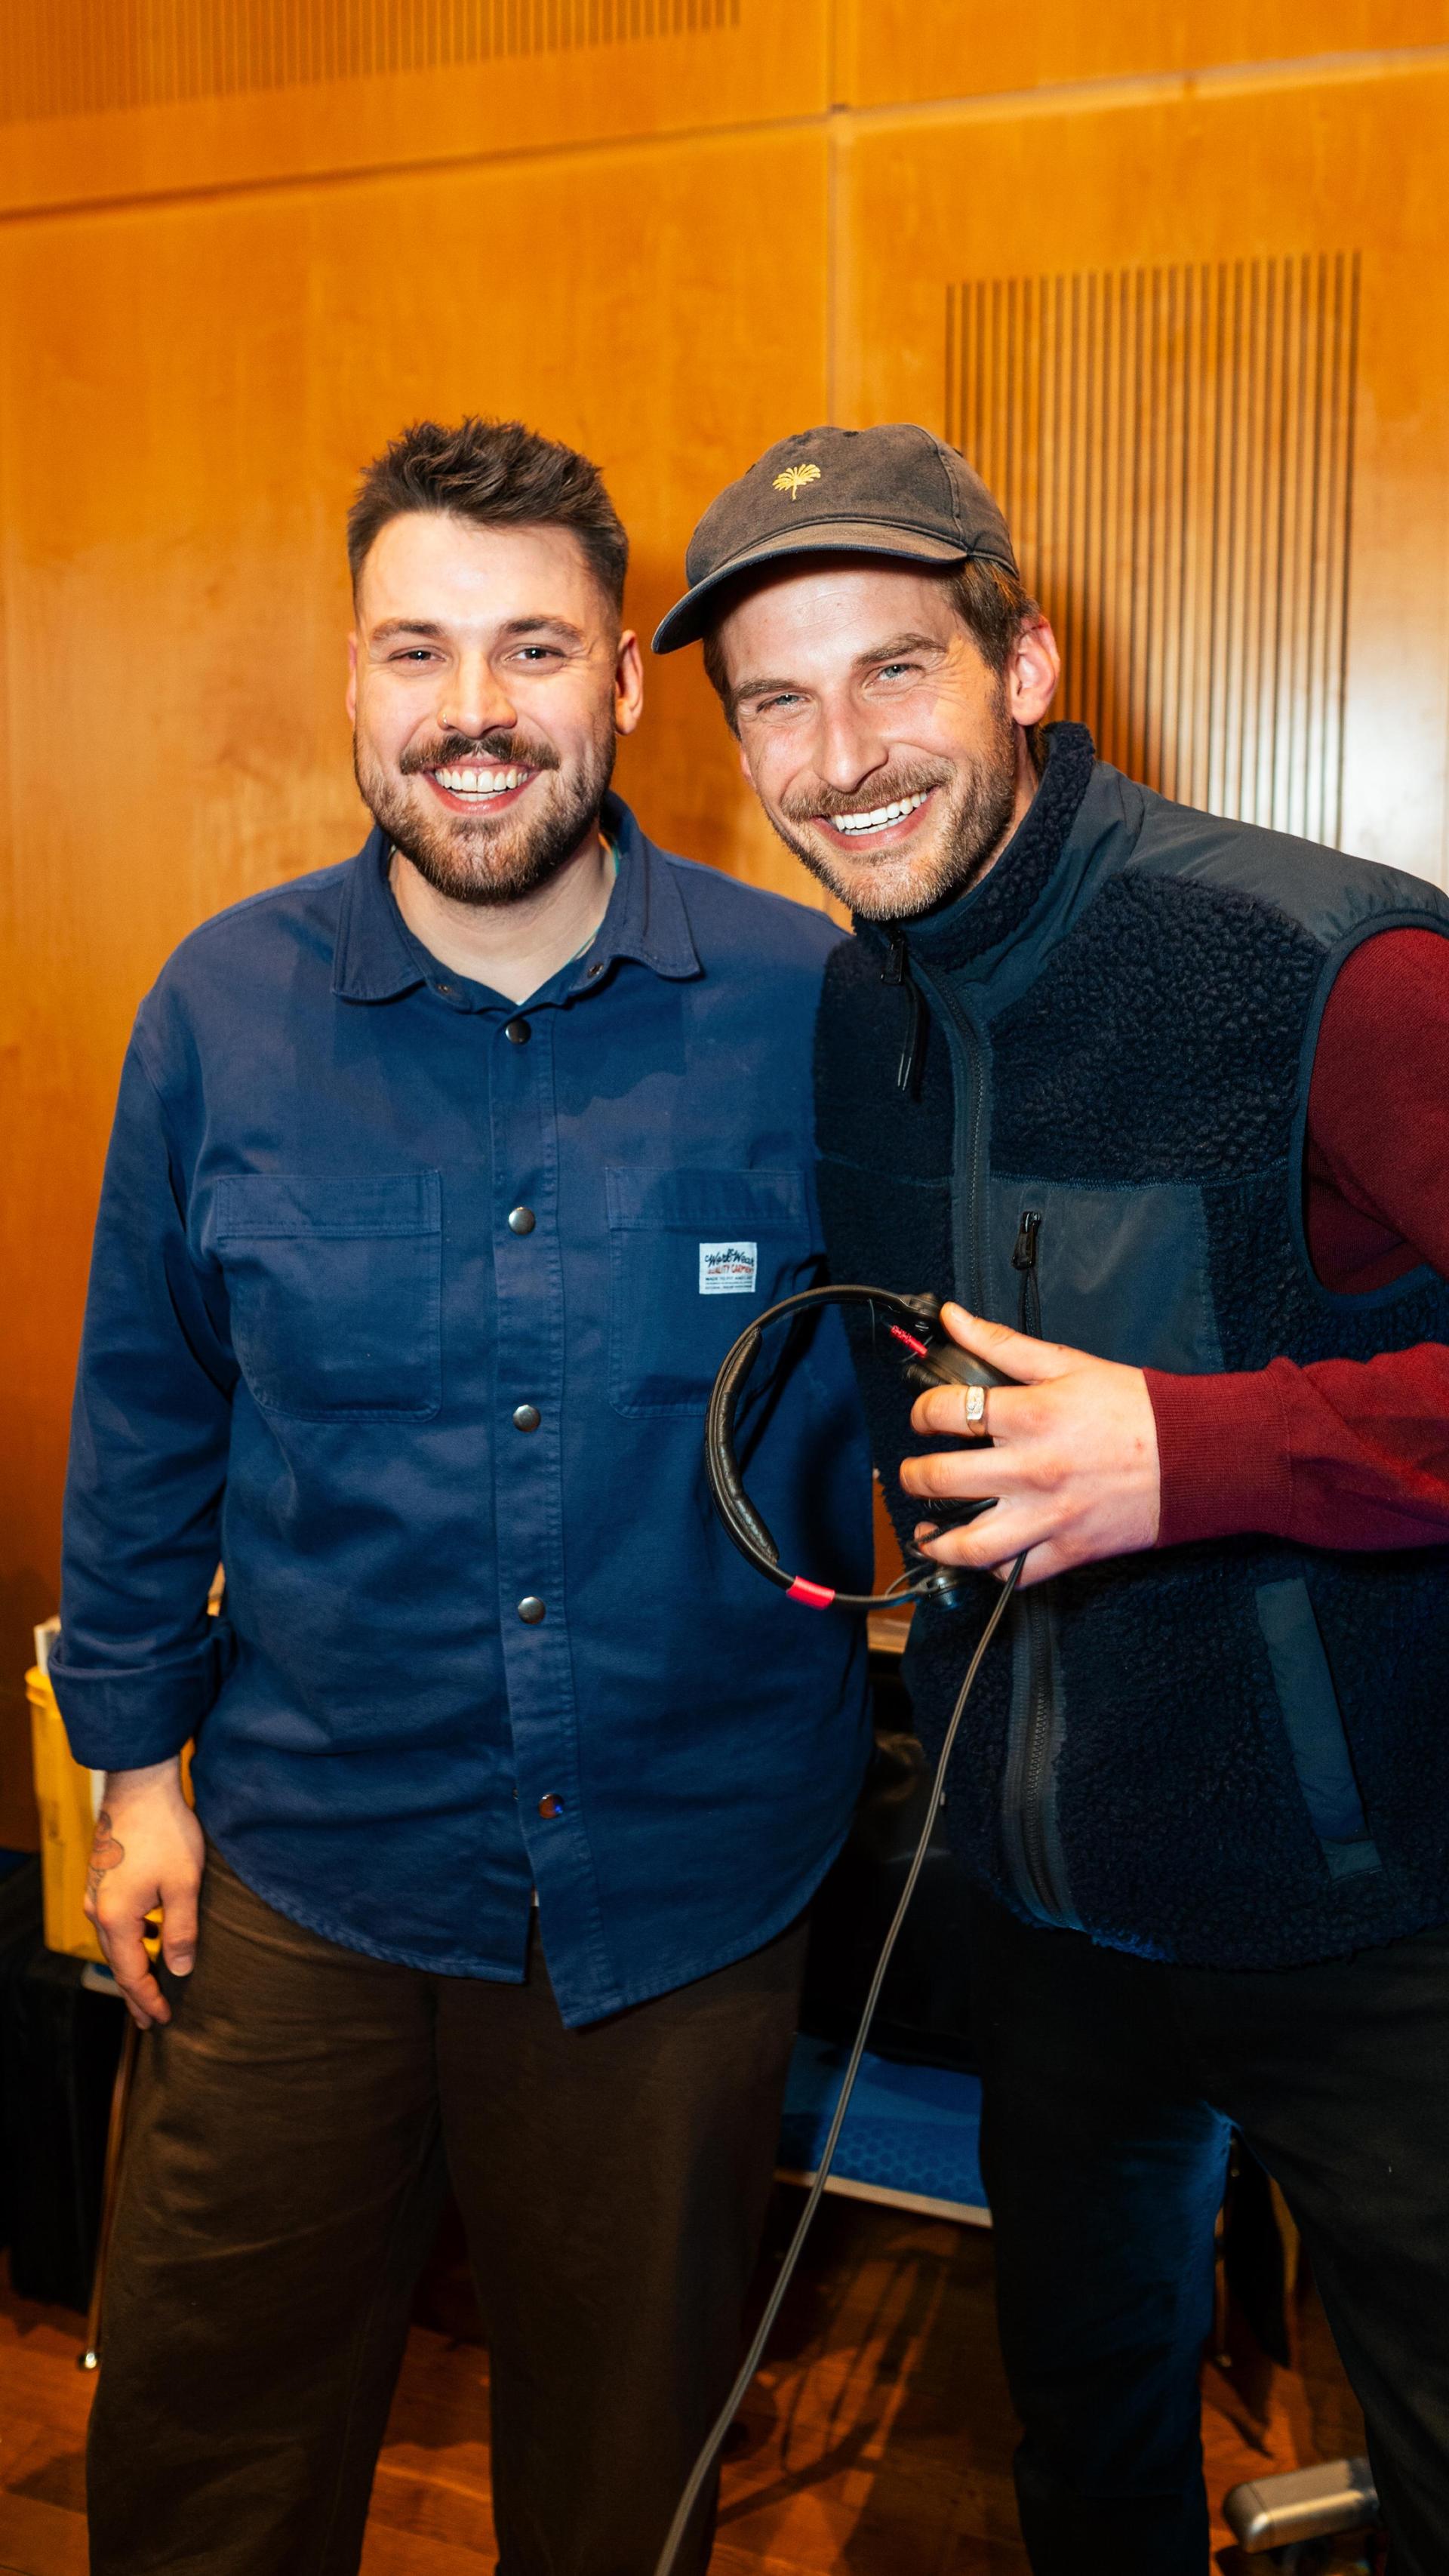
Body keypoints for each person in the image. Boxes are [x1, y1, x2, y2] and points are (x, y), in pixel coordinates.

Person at [53, 414, 874, 2576]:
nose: (475, 713)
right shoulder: (220, 1010)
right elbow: (147, 1416)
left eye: (534, 650)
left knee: (625, 2484)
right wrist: (133, 1774)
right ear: (352, 685)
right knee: (207, 2466)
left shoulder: (814, 1010)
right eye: (419, 653)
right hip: (303, 1873)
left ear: (622, 682)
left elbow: (928, 1415)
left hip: (685, 1894)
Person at [654, 420, 1449, 2576]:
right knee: (1087, 2445)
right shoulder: (850, 1011)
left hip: (1370, 1928)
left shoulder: (1331, 963)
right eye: (778, 705)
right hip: (1050, 1921)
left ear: (1025, 661)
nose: (840, 754)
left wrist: (1195, 1452)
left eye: (893, 671)